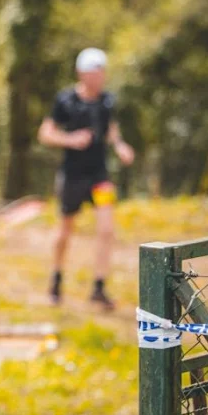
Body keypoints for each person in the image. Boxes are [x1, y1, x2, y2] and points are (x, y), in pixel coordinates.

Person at [36, 47, 134, 309]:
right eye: (94, 72)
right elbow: (45, 133)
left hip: (99, 176)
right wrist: (70, 139)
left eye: (102, 72)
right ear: (82, 73)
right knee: (65, 231)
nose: (99, 77)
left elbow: (111, 130)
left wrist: (120, 146)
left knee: (107, 230)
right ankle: (56, 280)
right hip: (73, 175)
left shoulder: (107, 101)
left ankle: (99, 288)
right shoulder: (66, 101)